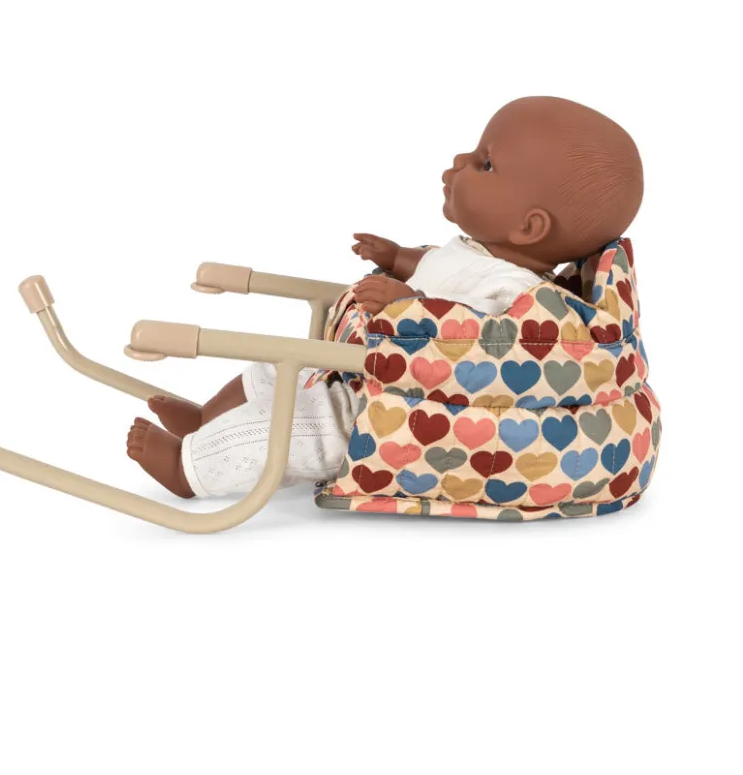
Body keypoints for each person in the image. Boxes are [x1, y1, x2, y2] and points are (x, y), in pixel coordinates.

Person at [126, 96, 643, 498]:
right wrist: (398, 257)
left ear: (528, 228)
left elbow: (475, 340)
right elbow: (439, 270)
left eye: (485, 164)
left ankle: (188, 470)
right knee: (271, 372)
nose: (460, 160)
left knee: (299, 427)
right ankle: (206, 420)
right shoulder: (475, 251)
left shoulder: (516, 292)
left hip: (386, 404)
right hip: (361, 367)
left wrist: (405, 304)